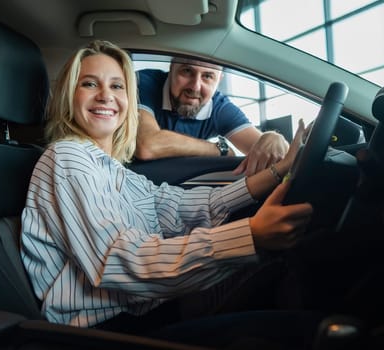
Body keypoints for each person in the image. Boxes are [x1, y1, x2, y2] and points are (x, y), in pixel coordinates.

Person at [21, 40, 319, 348]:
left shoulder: (116, 170)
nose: (106, 96)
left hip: (149, 309)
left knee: (280, 273)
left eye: (117, 86)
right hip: (104, 333)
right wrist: (251, 235)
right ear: (70, 97)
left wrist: (277, 171)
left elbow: (183, 206)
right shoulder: (68, 158)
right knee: (302, 330)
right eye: (89, 84)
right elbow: (119, 261)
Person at [135, 59, 289, 176]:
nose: (195, 86)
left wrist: (273, 139)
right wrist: (219, 150)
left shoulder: (219, 107)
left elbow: (268, 151)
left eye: (207, 76)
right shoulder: (144, 83)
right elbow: (147, 146)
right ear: (171, 68)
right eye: (187, 71)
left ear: (219, 80)